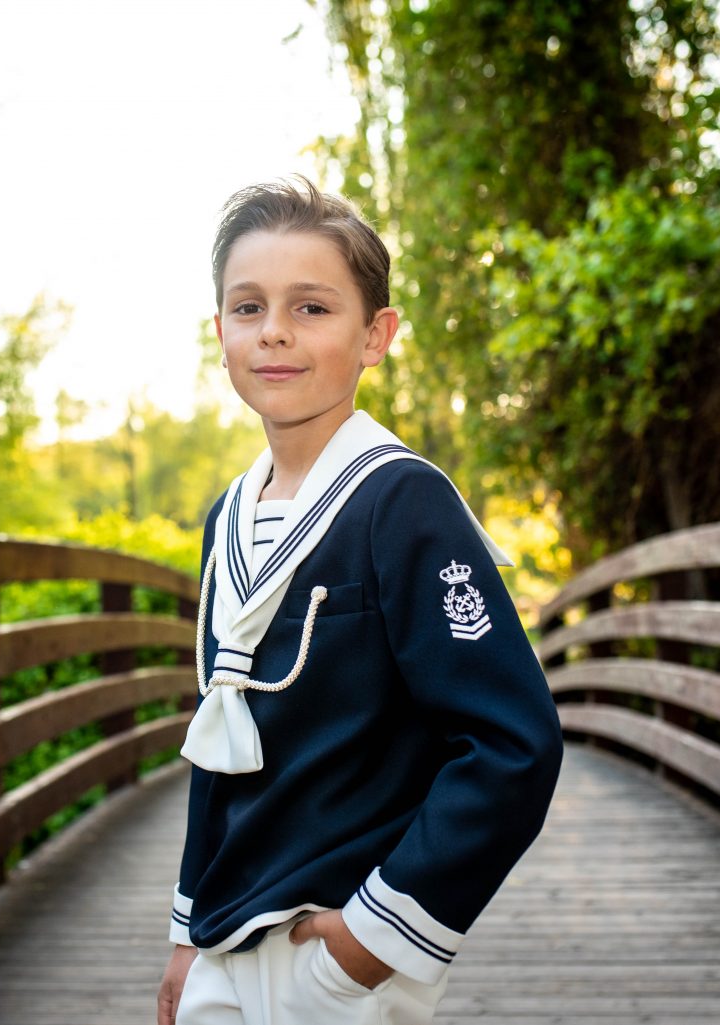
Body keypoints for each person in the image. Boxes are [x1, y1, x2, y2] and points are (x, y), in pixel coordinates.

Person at [156, 176, 564, 1025]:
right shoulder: (225, 519)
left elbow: (511, 743)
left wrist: (371, 940)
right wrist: (187, 933)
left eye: (311, 308)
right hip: (223, 945)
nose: (273, 331)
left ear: (376, 334)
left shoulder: (401, 502)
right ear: (220, 331)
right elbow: (219, 742)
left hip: (332, 948)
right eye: (247, 307)